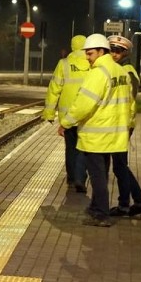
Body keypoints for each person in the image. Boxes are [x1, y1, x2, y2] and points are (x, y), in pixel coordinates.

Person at [59, 34, 132, 227]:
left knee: (98, 176)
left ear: (102, 51)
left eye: (90, 53)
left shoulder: (98, 73)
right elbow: (129, 104)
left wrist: (66, 122)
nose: (87, 57)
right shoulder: (120, 72)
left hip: (97, 134)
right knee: (103, 174)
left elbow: (83, 104)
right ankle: (95, 207)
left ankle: (101, 214)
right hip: (114, 134)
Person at [106, 35, 141, 217]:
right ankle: (135, 201)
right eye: (112, 49)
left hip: (122, 123)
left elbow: (129, 99)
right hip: (119, 123)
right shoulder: (114, 69)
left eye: (118, 51)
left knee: (120, 165)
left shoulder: (127, 71)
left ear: (125, 53)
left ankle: (129, 203)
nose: (114, 53)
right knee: (120, 165)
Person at [43, 34, 90, 192]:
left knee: (71, 148)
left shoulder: (63, 64)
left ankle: (72, 179)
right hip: (87, 115)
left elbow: (53, 90)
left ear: (72, 46)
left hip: (68, 116)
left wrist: (49, 113)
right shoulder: (92, 64)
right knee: (85, 148)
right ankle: (81, 177)